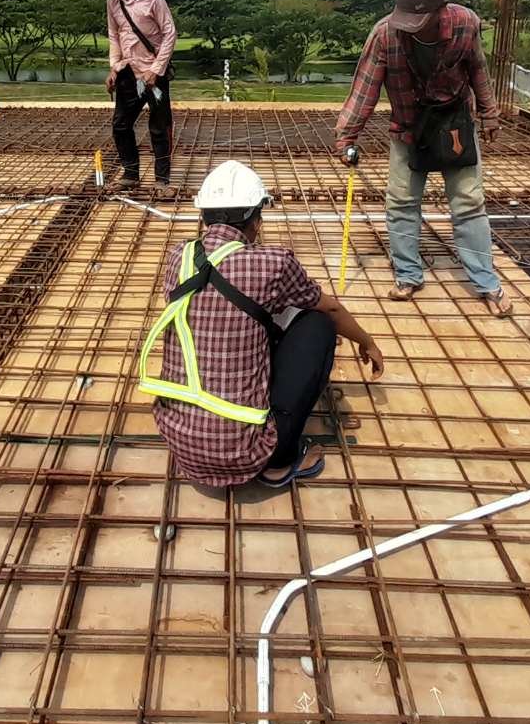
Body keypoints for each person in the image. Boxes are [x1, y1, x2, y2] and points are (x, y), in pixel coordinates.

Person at [139, 160, 383, 488]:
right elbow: (333, 310)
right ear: (256, 219)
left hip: (182, 444)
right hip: (245, 450)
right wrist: (367, 341)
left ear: (202, 216)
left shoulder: (177, 257)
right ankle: (280, 462)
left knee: (254, 316)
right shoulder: (272, 263)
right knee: (318, 325)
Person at [334, 0, 512, 315]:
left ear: (441, 10)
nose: (411, 26)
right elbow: (364, 89)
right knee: (401, 202)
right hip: (409, 126)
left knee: (469, 203)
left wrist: (490, 113)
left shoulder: (465, 23)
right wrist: (346, 136)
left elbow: (477, 67)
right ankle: (408, 275)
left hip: (454, 122)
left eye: (420, 19)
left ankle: (486, 282)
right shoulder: (386, 34)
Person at [101, 0, 178, 199]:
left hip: (153, 74)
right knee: (121, 125)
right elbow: (114, 37)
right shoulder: (112, 3)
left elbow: (169, 33)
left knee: (159, 127)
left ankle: (162, 180)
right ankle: (130, 175)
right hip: (128, 72)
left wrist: (156, 69)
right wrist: (114, 67)